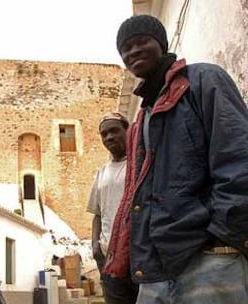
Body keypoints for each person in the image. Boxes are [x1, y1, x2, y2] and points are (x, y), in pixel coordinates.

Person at [104, 14, 248, 304]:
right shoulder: (141, 117)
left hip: (208, 260)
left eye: (142, 41)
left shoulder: (203, 80)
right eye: (126, 48)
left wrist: (224, 237)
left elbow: (237, 156)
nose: (133, 52)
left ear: (162, 44)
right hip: (156, 268)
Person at [87, 112, 138, 304]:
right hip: (109, 258)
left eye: (114, 131)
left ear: (128, 131)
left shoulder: (139, 165)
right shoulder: (102, 173)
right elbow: (97, 214)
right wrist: (95, 246)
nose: (109, 137)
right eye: (104, 134)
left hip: (138, 253)